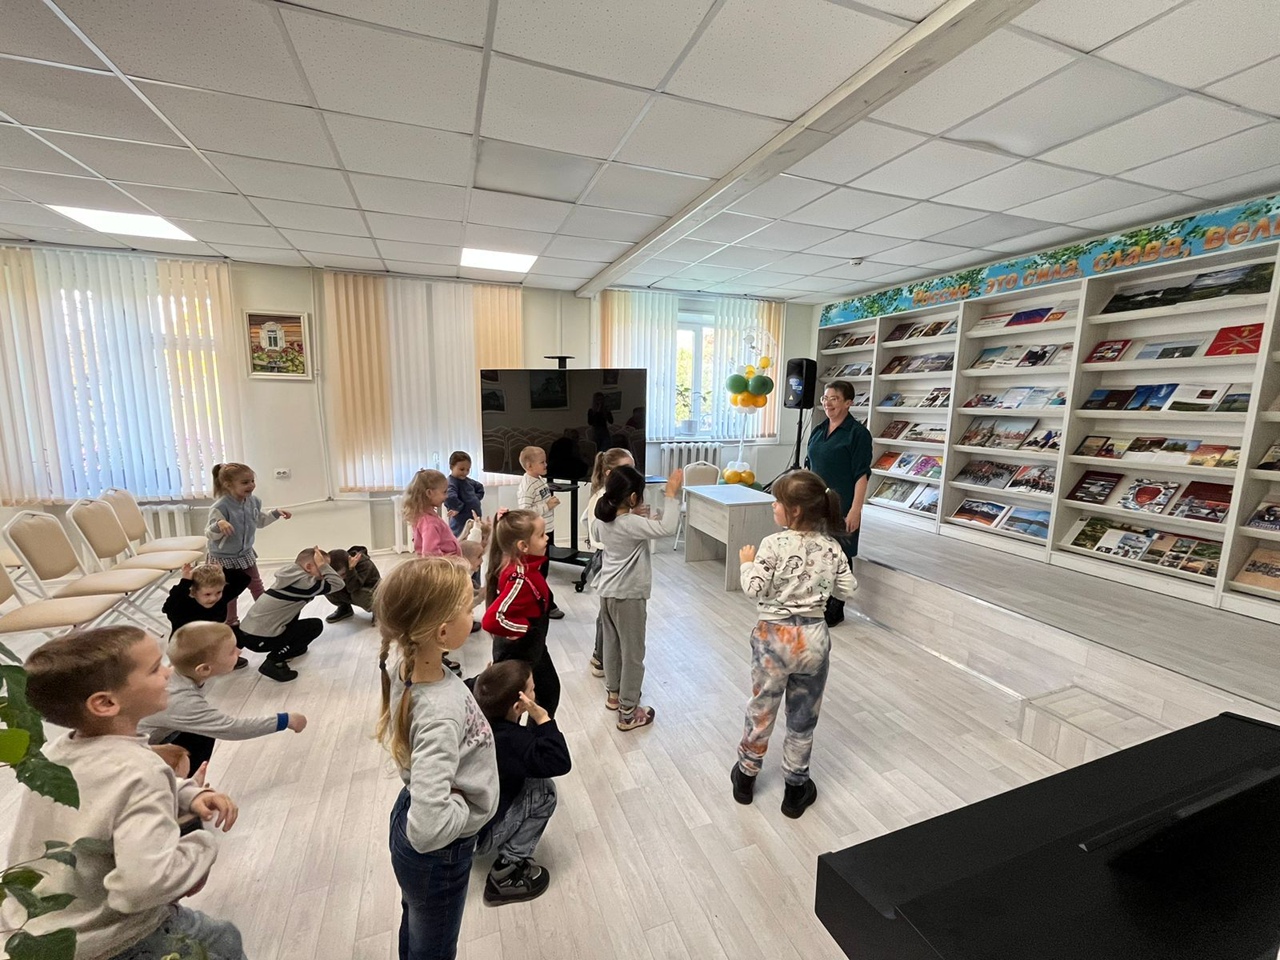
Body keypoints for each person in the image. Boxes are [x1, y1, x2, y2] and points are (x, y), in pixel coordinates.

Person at [6, 626, 242, 959]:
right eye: (155, 668)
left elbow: (103, 790)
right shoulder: (141, 772)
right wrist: (202, 846)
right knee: (222, 942)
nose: (168, 672)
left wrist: (187, 793)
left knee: (221, 937)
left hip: (36, 931)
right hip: (118, 939)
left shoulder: (54, 756)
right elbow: (142, 887)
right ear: (106, 703)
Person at [374, 556, 498, 960]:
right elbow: (428, 830)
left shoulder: (409, 664)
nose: (473, 612)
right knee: (434, 949)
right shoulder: (440, 713)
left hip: (410, 812)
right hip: (439, 851)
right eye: (467, 607)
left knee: (418, 924)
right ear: (443, 632)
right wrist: (470, 811)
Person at [731, 470, 857, 819]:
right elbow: (848, 589)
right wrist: (822, 583)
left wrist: (746, 564)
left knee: (762, 708)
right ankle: (796, 789)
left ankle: (746, 777)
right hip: (813, 640)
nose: (773, 506)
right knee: (803, 717)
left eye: (778, 501)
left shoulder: (773, 544)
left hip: (774, 639)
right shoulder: (832, 547)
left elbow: (754, 588)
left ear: (795, 511)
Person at [139, 622, 307, 771]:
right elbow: (231, 728)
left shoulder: (183, 673)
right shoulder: (180, 700)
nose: (239, 651)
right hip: (140, 757)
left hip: (156, 738)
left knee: (203, 732)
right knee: (203, 734)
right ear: (204, 669)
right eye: (231, 651)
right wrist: (285, 720)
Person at [471, 660, 572, 904]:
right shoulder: (511, 741)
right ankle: (506, 871)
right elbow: (560, 761)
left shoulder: (476, 712)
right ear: (519, 706)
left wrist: (489, 678)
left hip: (465, 827)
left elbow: (477, 684)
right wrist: (542, 717)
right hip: (479, 838)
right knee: (545, 792)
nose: (535, 692)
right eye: (532, 689)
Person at [594, 464, 682, 731]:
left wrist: (634, 515)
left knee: (612, 646)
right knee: (633, 653)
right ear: (633, 498)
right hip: (629, 596)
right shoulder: (631, 523)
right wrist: (671, 493)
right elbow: (668, 527)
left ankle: (614, 695)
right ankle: (629, 711)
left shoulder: (604, 519)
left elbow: (610, 532)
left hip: (607, 593)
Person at [481, 509, 561, 718]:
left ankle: (536, 734)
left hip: (534, 648)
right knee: (510, 709)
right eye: (541, 535)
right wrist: (522, 628)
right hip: (517, 653)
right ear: (523, 546)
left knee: (549, 692)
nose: (547, 538)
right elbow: (491, 620)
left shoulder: (527, 567)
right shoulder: (519, 578)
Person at [805, 380, 872, 626]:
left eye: (834, 398)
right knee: (817, 552)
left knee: (841, 554)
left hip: (842, 504)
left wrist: (856, 509)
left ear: (848, 403)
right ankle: (818, 598)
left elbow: (861, 475)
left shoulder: (858, 434)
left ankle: (837, 605)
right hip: (816, 503)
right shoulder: (819, 429)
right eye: (825, 398)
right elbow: (810, 467)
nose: (828, 403)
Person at [238, 546, 344, 682]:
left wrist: (321, 566)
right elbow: (337, 584)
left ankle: (292, 648)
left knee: (294, 615)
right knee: (314, 626)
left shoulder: (291, 576)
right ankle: (274, 661)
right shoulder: (304, 584)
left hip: (248, 633)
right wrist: (324, 566)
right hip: (260, 639)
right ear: (308, 567)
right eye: (322, 567)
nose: (324, 572)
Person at [205, 461, 292, 627]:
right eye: (245, 482)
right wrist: (219, 525)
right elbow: (209, 533)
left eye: (252, 481)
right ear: (228, 484)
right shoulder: (221, 506)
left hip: (245, 554)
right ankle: (231, 622)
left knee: (257, 585)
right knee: (230, 592)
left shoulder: (254, 501)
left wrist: (275, 514)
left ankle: (267, 616)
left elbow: (259, 521)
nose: (251, 485)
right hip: (224, 558)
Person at [580, 447, 636, 673]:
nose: (633, 474)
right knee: (609, 613)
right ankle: (601, 657)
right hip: (607, 558)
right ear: (610, 473)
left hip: (609, 556)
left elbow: (585, 520)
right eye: (627, 469)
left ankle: (604, 656)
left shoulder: (610, 494)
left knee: (610, 612)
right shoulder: (604, 498)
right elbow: (594, 526)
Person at [163, 562, 253, 670]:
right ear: (193, 592)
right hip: (186, 646)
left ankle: (223, 660)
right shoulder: (183, 606)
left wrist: (223, 571)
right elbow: (168, 606)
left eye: (218, 592)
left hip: (210, 640)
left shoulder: (220, 599)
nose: (213, 598)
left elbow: (244, 579)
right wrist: (185, 581)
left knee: (240, 634)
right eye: (207, 594)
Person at [516, 446, 563, 619]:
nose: (546, 465)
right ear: (529, 466)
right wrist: (546, 506)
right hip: (537, 535)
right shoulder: (527, 486)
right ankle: (547, 604)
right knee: (539, 572)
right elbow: (525, 511)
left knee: (544, 570)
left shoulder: (539, 479)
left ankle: (540, 602)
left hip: (546, 530)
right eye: (542, 462)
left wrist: (549, 503)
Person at [405, 468, 463, 559]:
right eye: (444, 492)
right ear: (429, 493)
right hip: (445, 565)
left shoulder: (423, 517)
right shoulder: (429, 522)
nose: (446, 496)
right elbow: (431, 553)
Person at [325, 545, 382, 624]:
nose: (341, 578)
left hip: (370, 591)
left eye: (343, 574)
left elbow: (353, 587)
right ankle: (345, 608)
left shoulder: (364, 564)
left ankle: (379, 611)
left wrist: (351, 570)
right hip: (350, 588)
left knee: (357, 594)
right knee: (328, 586)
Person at [445, 451, 484, 538]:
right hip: (461, 521)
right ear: (451, 467)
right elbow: (449, 496)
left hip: (474, 518)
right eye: (462, 469)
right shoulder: (451, 482)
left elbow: (480, 488)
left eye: (468, 469)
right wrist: (457, 507)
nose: (465, 472)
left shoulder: (468, 481)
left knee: (475, 537)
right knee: (461, 540)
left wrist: (475, 499)